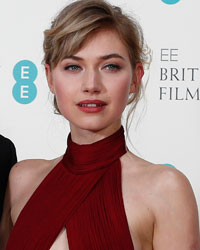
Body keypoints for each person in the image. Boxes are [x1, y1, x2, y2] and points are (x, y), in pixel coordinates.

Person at [2, 0, 200, 249]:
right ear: (50, 77)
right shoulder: (20, 180)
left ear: (135, 79)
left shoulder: (166, 189)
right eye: (73, 66)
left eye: (110, 66)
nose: (91, 84)